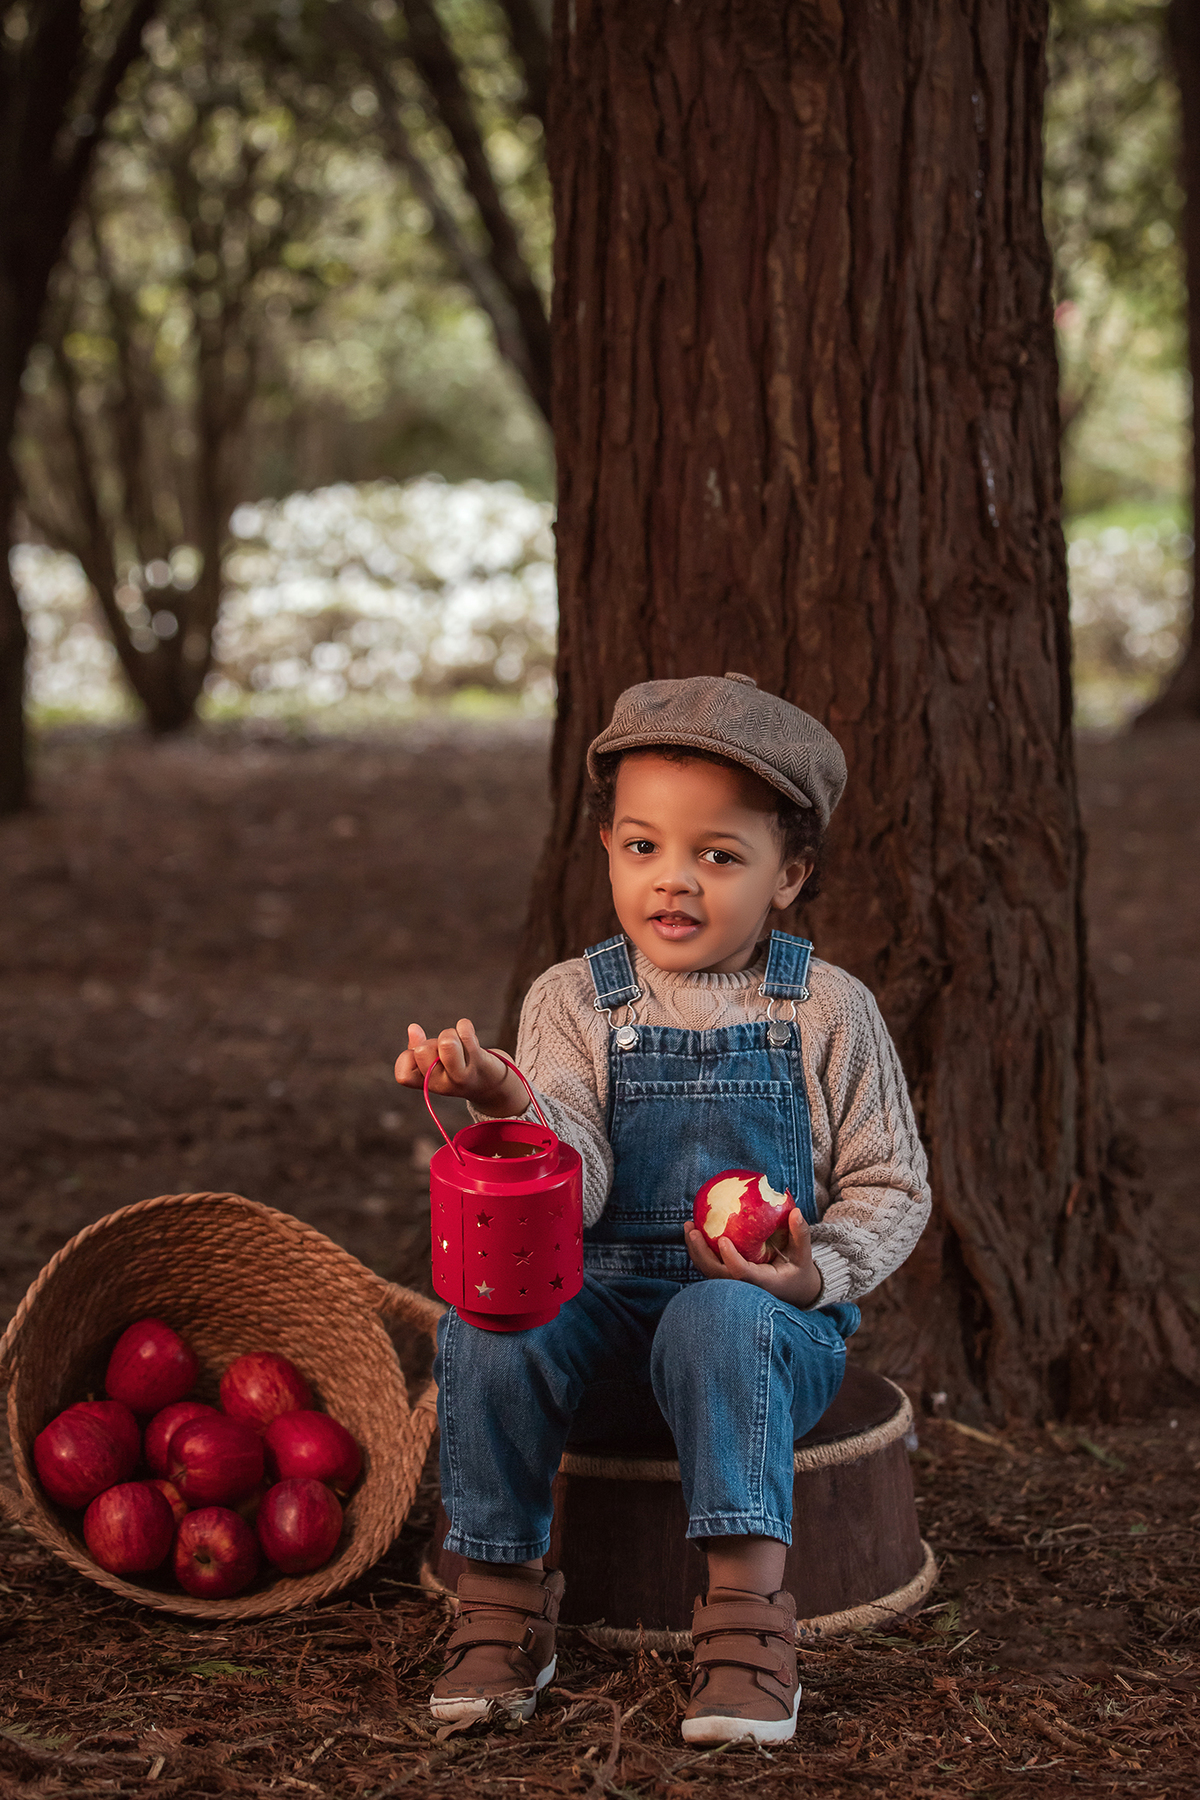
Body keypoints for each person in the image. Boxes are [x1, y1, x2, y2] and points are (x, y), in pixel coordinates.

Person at [394, 671, 931, 1745]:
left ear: (791, 875)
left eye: (718, 855)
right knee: (490, 1316)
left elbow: (891, 1182)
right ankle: (499, 1602)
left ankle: (745, 1624)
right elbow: (579, 1179)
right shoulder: (572, 1000)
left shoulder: (826, 1011)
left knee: (716, 1315)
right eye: (643, 848)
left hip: (762, 1330)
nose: (674, 882)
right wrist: (510, 1101)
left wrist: (809, 1272)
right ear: (607, 851)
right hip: (604, 1314)